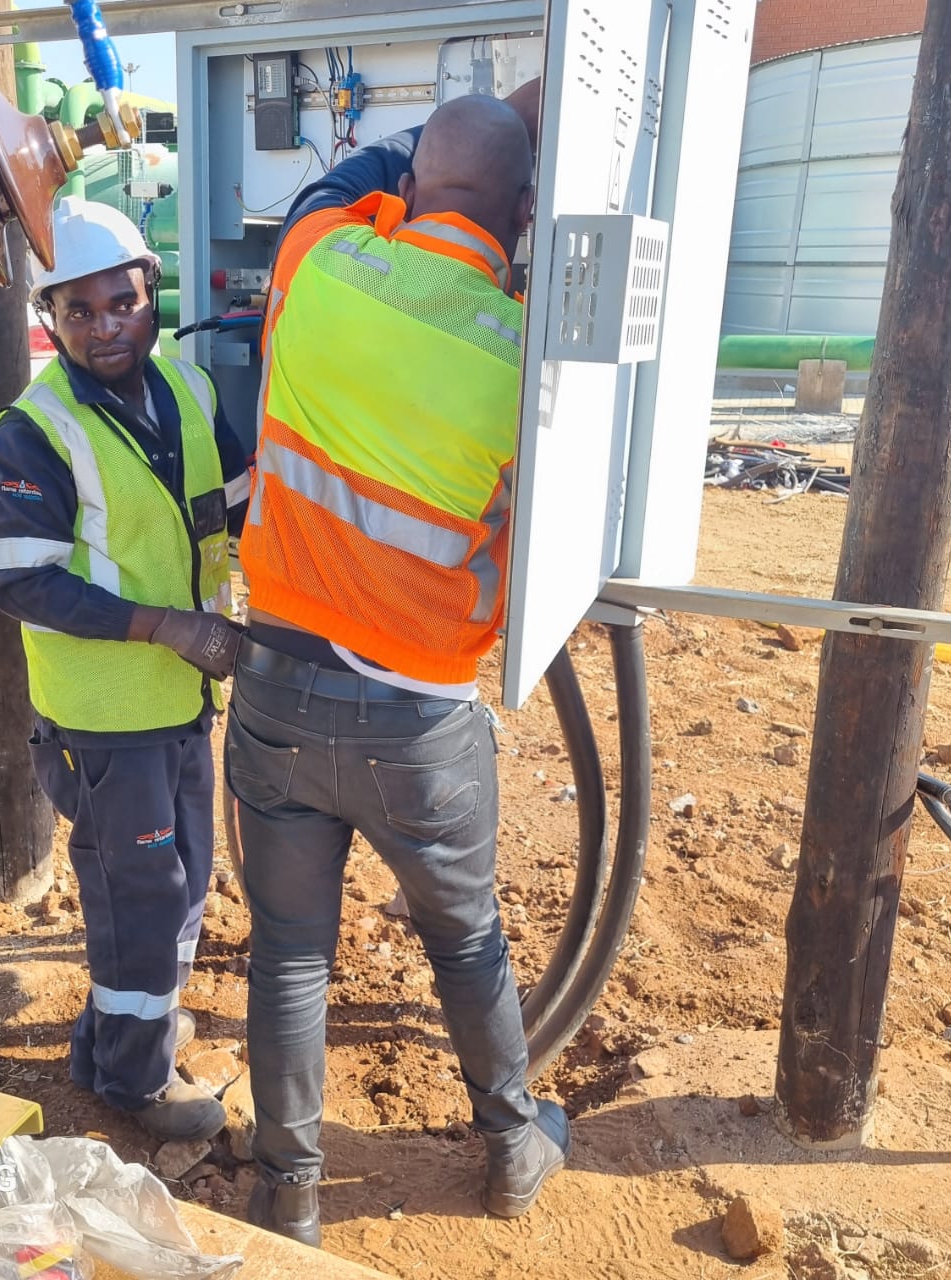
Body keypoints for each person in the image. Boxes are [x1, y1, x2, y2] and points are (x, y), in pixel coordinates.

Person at [226, 85, 569, 1246]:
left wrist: (438, 139)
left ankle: (288, 1195)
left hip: (274, 692)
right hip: (419, 722)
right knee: (464, 940)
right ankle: (511, 1147)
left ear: (412, 183)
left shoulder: (317, 263)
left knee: (287, 954)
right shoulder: (525, 359)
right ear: (521, 216)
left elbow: (341, 184)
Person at [0, 198, 251, 1143]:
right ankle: (137, 1084)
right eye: (79, 311)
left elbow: (235, 506)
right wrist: (168, 626)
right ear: (50, 317)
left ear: (152, 295)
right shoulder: (32, 432)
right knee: (141, 896)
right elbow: (24, 583)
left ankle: (116, 1043)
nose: (105, 328)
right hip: (103, 718)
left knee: (182, 879)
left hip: (182, 698)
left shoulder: (188, 390)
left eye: (122, 303)